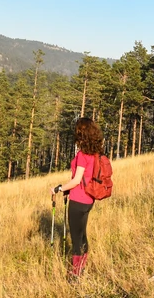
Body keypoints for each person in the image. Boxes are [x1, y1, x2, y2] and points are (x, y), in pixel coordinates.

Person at [51, 117, 103, 280]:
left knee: (76, 238)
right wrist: (68, 190)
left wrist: (59, 188)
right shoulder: (95, 153)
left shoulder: (82, 155)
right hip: (88, 199)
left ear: (81, 134)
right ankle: (82, 268)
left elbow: (76, 180)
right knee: (82, 234)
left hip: (78, 200)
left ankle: (75, 274)